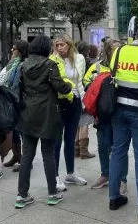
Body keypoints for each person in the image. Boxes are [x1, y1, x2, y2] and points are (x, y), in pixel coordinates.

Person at [15, 35, 75, 208]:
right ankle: (52, 194)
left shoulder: (23, 65)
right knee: (48, 153)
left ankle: (22, 195)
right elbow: (60, 87)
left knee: (27, 155)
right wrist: (69, 86)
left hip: (27, 113)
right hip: (47, 113)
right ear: (46, 48)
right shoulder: (50, 65)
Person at [108, 23, 138, 218]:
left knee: (117, 152)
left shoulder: (118, 51)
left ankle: (114, 197)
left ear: (135, 36)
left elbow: (112, 75)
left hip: (118, 110)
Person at [85, 41, 129, 191]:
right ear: (108, 52)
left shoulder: (126, 67)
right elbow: (86, 85)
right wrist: (93, 82)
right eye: (115, 50)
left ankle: (122, 178)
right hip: (103, 114)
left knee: (119, 147)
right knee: (103, 145)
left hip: (120, 111)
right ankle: (106, 174)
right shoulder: (97, 67)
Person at [51, 34, 88, 190]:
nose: (60, 48)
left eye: (63, 44)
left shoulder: (79, 58)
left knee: (71, 138)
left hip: (75, 100)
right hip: (59, 101)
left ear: (69, 45)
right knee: (57, 140)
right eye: (57, 45)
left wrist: (83, 99)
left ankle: (70, 172)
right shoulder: (52, 60)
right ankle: (55, 176)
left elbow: (79, 80)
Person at [0, 40, 29, 172]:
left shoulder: (23, 65)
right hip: (11, 100)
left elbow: (15, 83)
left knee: (22, 132)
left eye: (14, 49)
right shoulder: (13, 63)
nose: (11, 51)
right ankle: (17, 156)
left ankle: (26, 161)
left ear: (20, 51)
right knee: (15, 130)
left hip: (19, 101)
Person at [75, 41, 96, 160]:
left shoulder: (73, 60)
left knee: (77, 123)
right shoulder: (86, 62)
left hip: (75, 94)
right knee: (85, 123)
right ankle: (84, 151)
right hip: (84, 94)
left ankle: (75, 148)